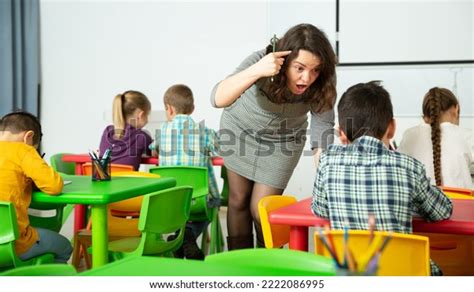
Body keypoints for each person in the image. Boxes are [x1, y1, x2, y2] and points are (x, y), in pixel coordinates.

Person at [211, 23, 337, 249]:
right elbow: (218, 99)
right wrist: (257, 70)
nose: (307, 78)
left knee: (261, 208)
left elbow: (322, 127)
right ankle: (241, 268)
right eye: (299, 68)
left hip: (284, 141)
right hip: (240, 130)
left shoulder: (322, 81)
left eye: (315, 70)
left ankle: (267, 263)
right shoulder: (260, 60)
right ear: (284, 61)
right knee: (238, 201)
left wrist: (325, 173)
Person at [311, 81, 453, 275]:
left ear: (342, 132)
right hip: (401, 275)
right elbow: (442, 212)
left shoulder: (327, 161)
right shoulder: (409, 167)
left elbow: (320, 209)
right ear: (392, 127)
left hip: (350, 275)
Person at [152, 84, 219, 259]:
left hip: (169, 201)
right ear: (193, 109)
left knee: (178, 211)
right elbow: (220, 148)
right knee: (209, 206)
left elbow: (153, 149)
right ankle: (188, 234)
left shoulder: (163, 132)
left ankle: (179, 236)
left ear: (169, 109)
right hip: (197, 202)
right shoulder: (204, 132)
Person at [0, 111, 72, 263]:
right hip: (13, 244)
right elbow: (54, 186)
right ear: (28, 137)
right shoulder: (23, 150)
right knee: (65, 247)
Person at [398, 87, 473, 189]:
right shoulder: (467, 135)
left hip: (420, 203)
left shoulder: (410, 135)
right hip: (461, 202)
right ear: (456, 109)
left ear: (425, 115)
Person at [99, 90, 153, 170]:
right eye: (147, 115)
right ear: (140, 115)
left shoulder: (107, 131)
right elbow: (155, 152)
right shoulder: (141, 136)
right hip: (129, 182)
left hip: (103, 181)